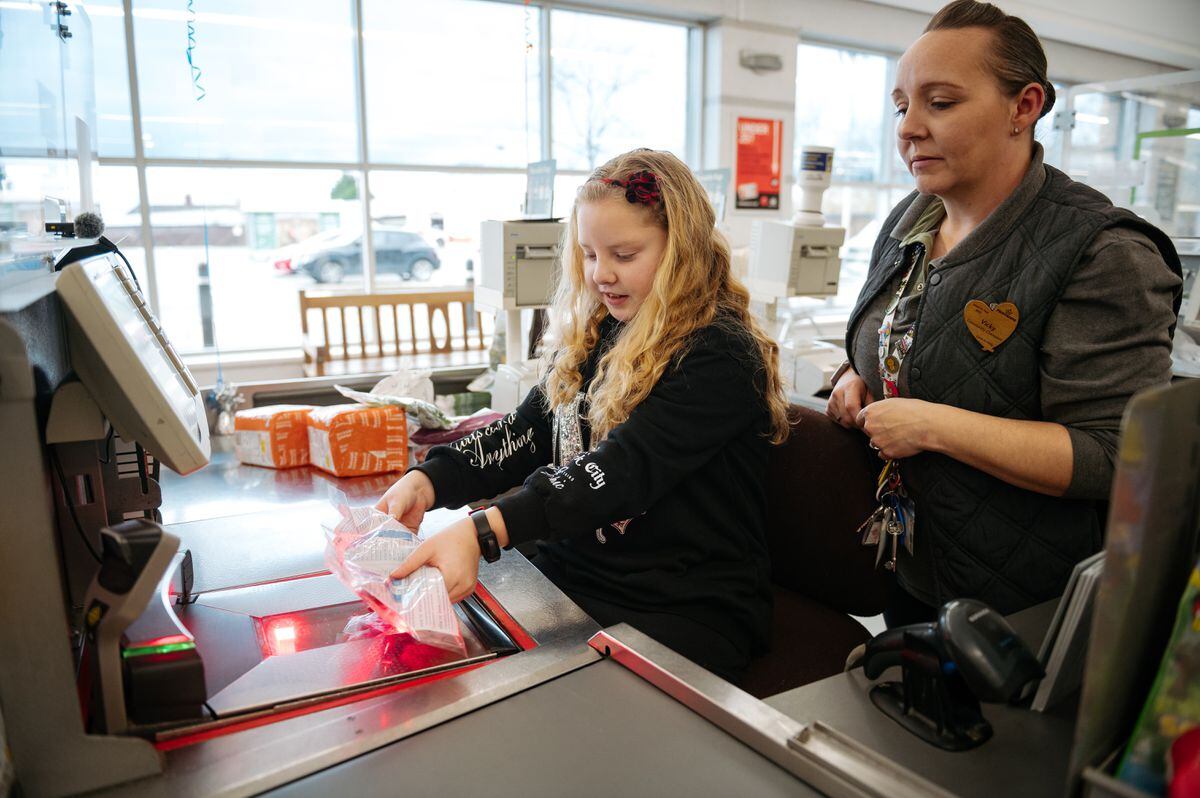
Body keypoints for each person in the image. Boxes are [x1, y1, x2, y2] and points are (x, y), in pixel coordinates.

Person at [824, 0, 1183, 627]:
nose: (908, 128)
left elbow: (1112, 452)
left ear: (1025, 107)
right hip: (918, 568)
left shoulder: (1103, 252)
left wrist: (932, 425)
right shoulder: (913, 219)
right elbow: (905, 341)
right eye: (902, 107)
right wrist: (860, 376)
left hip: (1025, 603)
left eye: (940, 103)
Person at [376, 149, 790, 681]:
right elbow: (528, 431)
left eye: (623, 254)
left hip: (683, 608)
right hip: (578, 581)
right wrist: (431, 479)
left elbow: (619, 473)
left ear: (681, 251)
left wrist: (482, 531)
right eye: (590, 255)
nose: (601, 275)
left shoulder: (719, 355)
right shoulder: (605, 332)